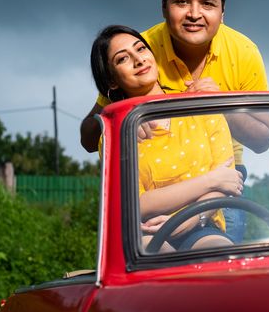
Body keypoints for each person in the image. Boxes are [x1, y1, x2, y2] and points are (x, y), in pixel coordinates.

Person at [80, 0, 269, 241]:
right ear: (164, 6)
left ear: (222, 13)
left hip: (219, 180)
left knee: (220, 257)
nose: (194, 14)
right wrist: (121, 119)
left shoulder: (244, 52)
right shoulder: (141, 49)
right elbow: (89, 137)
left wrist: (220, 105)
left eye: (207, 4)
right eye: (182, 1)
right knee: (144, 258)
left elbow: (264, 138)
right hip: (151, 188)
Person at [89, 24, 243, 251]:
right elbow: (135, 203)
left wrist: (186, 221)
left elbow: (228, 179)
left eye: (141, 49)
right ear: (111, 81)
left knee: (221, 255)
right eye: (123, 59)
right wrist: (210, 180)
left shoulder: (199, 106)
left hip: (203, 224)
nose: (139, 60)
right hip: (145, 232)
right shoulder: (116, 132)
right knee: (158, 261)